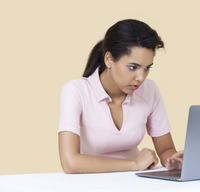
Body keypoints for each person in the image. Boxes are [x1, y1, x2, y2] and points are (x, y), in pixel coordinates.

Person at [58, 19, 183, 174]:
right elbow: (70, 163)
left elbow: (166, 149)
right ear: (109, 59)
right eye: (133, 67)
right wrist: (134, 164)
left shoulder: (150, 90)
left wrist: (173, 160)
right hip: (88, 183)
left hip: (134, 183)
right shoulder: (76, 91)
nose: (141, 77)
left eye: (147, 68)